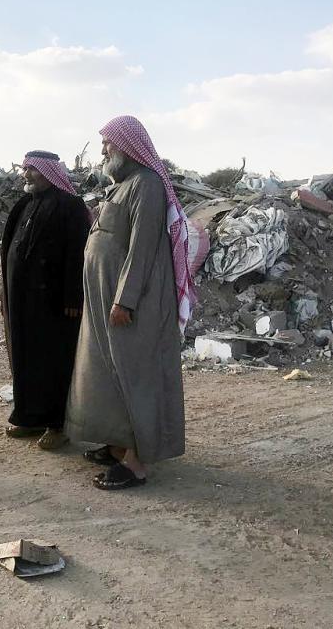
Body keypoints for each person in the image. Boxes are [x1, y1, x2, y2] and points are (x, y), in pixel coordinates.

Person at [65, 115, 197, 490]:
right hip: (108, 302)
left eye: (108, 143)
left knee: (136, 378)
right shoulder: (125, 186)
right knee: (109, 376)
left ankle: (137, 464)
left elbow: (142, 249)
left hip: (131, 304)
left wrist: (125, 299)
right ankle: (119, 444)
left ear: (126, 146)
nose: (103, 150)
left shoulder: (148, 185)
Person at [0, 151, 91, 450]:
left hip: (54, 303)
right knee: (25, 359)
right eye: (24, 169)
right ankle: (29, 417)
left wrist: (73, 297)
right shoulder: (25, 204)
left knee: (53, 361)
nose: (26, 174)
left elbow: (78, 254)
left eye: (32, 170)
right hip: (22, 301)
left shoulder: (70, 206)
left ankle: (57, 424)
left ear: (49, 172)